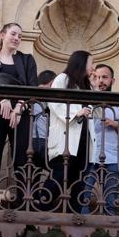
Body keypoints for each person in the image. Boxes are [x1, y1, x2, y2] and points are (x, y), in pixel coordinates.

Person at [0, 23, 38, 192]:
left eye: (20, 36)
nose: (17, 38)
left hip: (20, 116)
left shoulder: (27, 60)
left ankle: (22, 201)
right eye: (13, 34)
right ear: (2, 34)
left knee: (22, 159)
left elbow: (32, 87)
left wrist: (19, 107)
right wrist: (2, 98)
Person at [82, 64, 119, 215]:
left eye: (104, 77)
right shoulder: (86, 102)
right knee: (82, 200)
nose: (100, 81)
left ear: (112, 80)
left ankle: (109, 234)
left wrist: (115, 125)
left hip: (112, 159)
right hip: (88, 158)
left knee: (110, 203)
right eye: (96, 77)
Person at [45, 50, 93, 212]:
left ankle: (75, 215)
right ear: (81, 63)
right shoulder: (62, 79)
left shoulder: (86, 85)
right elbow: (53, 102)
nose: (92, 67)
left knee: (79, 180)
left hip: (83, 140)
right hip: (66, 137)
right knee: (58, 177)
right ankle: (39, 209)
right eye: (90, 63)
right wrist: (75, 114)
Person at [31, 70, 57, 170]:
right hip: (42, 141)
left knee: (33, 174)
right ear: (52, 83)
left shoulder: (32, 95)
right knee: (57, 170)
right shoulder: (47, 97)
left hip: (27, 140)